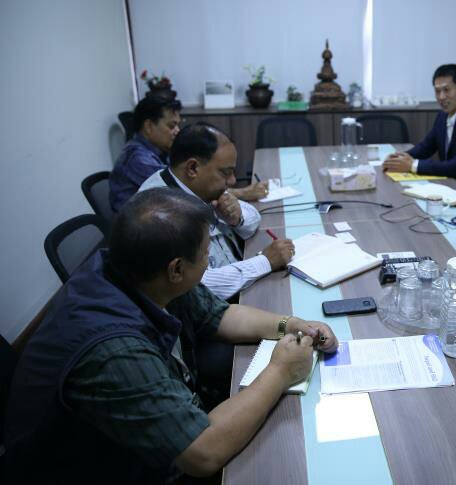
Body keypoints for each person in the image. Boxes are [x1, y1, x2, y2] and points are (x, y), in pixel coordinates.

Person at [5, 188, 338, 484]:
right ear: (177, 268)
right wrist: (280, 372)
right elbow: (203, 453)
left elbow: (219, 315)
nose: (209, 260)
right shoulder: (114, 351)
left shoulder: (141, 271)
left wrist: (291, 324)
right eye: (206, 252)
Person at [139, 123, 294, 300]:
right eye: (226, 172)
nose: (233, 180)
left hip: (240, 280)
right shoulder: (162, 213)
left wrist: (237, 217)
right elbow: (200, 288)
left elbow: (254, 219)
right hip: (216, 306)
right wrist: (265, 261)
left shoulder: (195, 185)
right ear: (192, 168)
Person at [110, 96, 268, 213]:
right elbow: (183, 189)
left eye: (178, 125)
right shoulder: (137, 159)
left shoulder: (160, 150)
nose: (177, 131)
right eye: (171, 126)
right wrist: (245, 193)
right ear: (149, 126)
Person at [383, 64, 456, 180]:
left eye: (446, 90)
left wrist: (413, 165)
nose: (441, 97)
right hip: (448, 182)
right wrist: (398, 158)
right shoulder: (442, 115)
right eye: (437, 91)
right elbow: (426, 147)